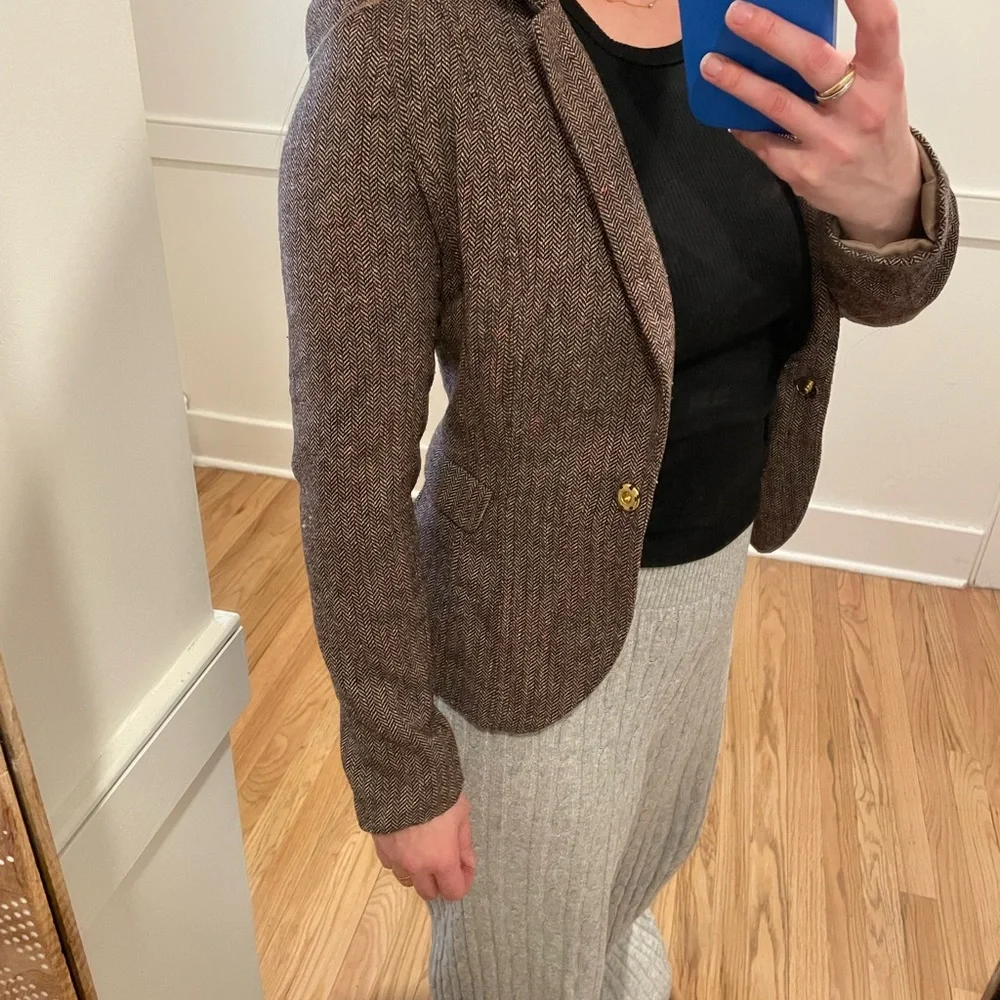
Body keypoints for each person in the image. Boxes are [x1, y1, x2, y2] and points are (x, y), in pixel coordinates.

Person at [277, 0, 958, 993]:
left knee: (630, 886)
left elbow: (882, 290)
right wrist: (399, 765)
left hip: (705, 590)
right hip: (526, 643)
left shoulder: (748, 11)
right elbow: (349, 471)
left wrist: (889, 200)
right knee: (522, 970)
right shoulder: (399, 48)